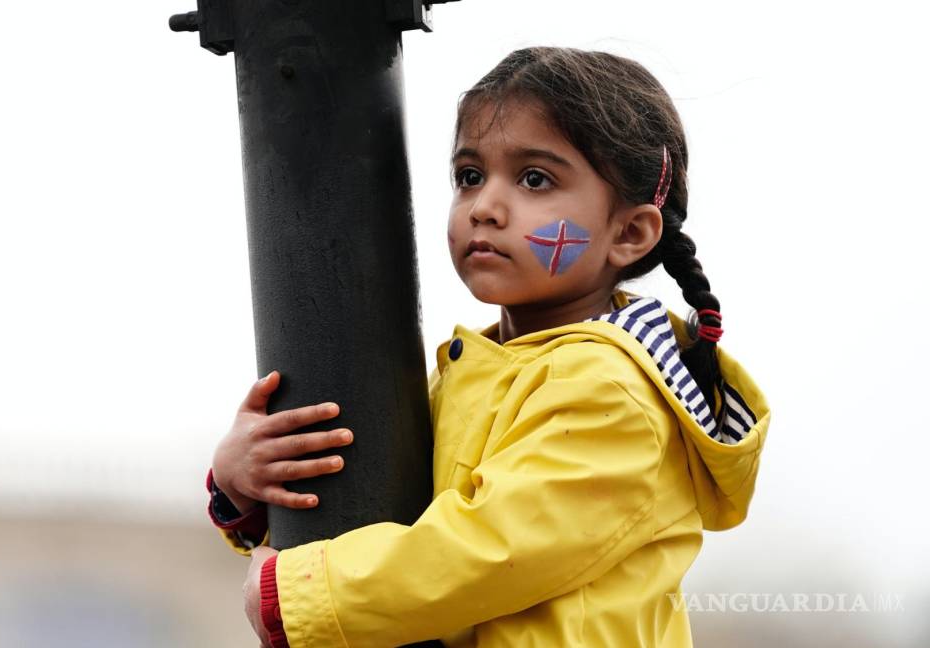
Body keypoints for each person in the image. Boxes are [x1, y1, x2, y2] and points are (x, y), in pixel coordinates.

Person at [206, 47, 770, 647]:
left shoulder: (613, 393)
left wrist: (298, 596)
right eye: (470, 176)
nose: (486, 208)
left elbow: (488, 550)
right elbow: (384, 508)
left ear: (628, 233)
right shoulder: (475, 370)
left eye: (535, 179)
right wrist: (245, 485)